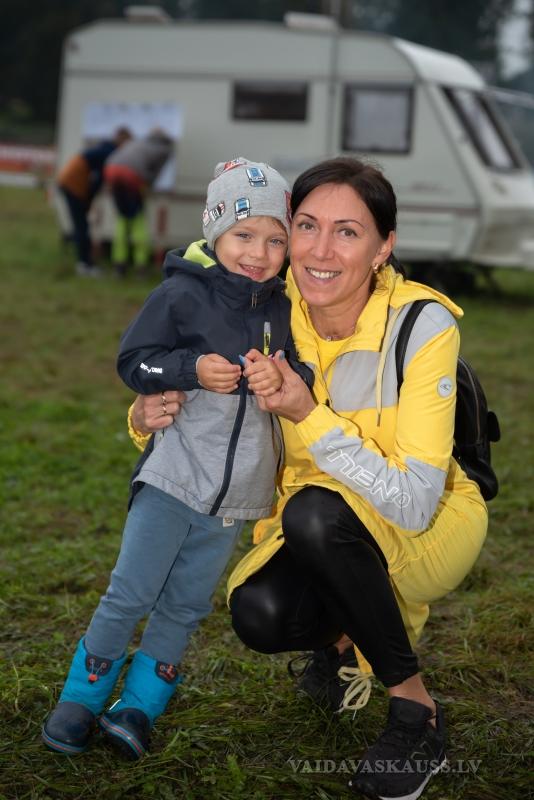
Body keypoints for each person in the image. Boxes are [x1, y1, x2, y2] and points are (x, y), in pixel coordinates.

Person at [128, 157, 488, 800]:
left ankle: (417, 712)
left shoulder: (420, 324)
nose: (320, 251)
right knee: (260, 613)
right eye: (306, 226)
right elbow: (189, 380)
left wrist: (307, 414)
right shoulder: (270, 305)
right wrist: (140, 416)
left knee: (316, 513)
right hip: (314, 524)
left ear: (383, 248)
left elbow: (412, 502)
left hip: (428, 522)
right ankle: (342, 642)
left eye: (348, 232)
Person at [42, 157, 312, 761]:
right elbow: (134, 360)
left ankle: (139, 705)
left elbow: (304, 372)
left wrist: (285, 377)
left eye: (275, 240)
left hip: (235, 494)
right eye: (244, 235)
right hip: (173, 477)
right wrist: (189, 369)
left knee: (186, 605)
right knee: (130, 593)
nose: (259, 253)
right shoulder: (181, 293)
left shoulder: (283, 307)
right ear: (216, 230)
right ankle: (81, 698)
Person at [57, 127, 132, 276]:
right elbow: (98, 179)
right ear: (122, 140)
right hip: (74, 184)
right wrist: (88, 200)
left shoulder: (105, 148)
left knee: (82, 225)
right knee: (82, 227)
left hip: (69, 181)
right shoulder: (110, 153)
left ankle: (85, 260)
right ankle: (84, 264)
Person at [103, 129, 173, 276]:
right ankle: (140, 266)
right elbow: (155, 172)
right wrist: (148, 186)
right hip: (131, 176)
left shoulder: (138, 142)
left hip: (111, 170)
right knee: (138, 223)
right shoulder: (165, 149)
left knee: (122, 219)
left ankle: (119, 265)